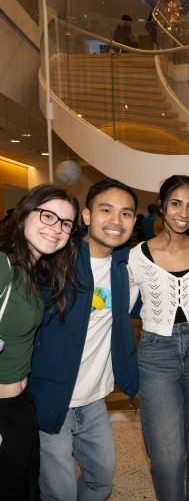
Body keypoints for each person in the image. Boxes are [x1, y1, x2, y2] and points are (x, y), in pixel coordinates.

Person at [29, 178, 139, 500]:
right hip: (51, 399)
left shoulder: (126, 266)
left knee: (101, 479)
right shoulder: (54, 259)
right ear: (87, 216)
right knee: (58, 490)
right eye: (106, 210)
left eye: (126, 213)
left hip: (94, 399)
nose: (116, 221)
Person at [128, 175, 189, 501]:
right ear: (162, 206)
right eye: (176, 203)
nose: (183, 212)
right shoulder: (136, 256)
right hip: (156, 354)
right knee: (167, 455)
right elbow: (120, 311)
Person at [0, 184, 79, 500]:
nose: (56, 228)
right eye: (48, 215)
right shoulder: (3, 266)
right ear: (24, 214)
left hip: (20, 404)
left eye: (65, 223)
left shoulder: (29, 273)